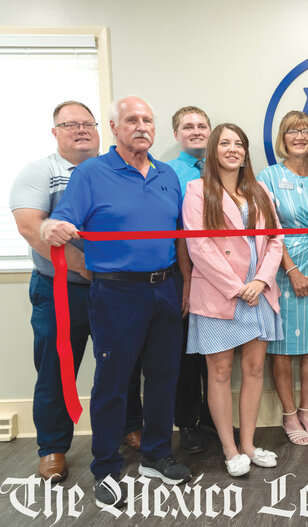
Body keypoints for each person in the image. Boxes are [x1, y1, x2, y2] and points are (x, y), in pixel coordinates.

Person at [42, 96, 192, 508]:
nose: (141, 126)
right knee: (113, 382)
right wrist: (54, 227)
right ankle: (106, 467)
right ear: (114, 128)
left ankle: (157, 455)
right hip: (117, 293)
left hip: (166, 287)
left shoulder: (167, 175)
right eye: (131, 120)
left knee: (164, 376)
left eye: (147, 119)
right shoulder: (91, 173)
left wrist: (187, 283)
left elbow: (178, 233)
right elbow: (65, 221)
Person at [11, 100, 142, 481]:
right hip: (62, 289)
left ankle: (129, 425)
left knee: (124, 364)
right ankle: (52, 447)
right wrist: (88, 268)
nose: (81, 130)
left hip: (117, 289)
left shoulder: (114, 169)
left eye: (88, 123)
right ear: (55, 133)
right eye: (70, 125)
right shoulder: (39, 172)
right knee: (56, 367)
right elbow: (31, 228)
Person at [182, 123, 283, 477]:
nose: (232, 149)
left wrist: (260, 280)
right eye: (224, 143)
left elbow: (275, 240)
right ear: (213, 150)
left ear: (245, 152)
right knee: (220, 372)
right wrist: (236, 285)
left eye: (238, 143)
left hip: (258, 294)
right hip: (219, 294)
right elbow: (199, 245)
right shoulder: (197, 190)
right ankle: (229, 449)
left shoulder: (258, 190)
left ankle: (249, 445)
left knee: (255, 370)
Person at [257, 111, 308, 447]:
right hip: (282, 267)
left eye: (305, 130)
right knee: (283, 345)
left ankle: (307, 410)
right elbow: (270, 229)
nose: (299, 136)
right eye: (291, 131)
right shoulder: (268, 177)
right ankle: (288, 414)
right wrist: (292, 271)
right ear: (282, 139)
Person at [167, 105, 213, 455]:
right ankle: (189, 423)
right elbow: (176, 232)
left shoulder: (224, 167)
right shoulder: (167, 174)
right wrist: (185, 278)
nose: (195, 131)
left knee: (217, 351)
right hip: (186, 274)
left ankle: (214, 417)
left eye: (201, 125)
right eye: (188, 126)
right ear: (176, 135)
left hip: (221, 278)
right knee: (186, 354)